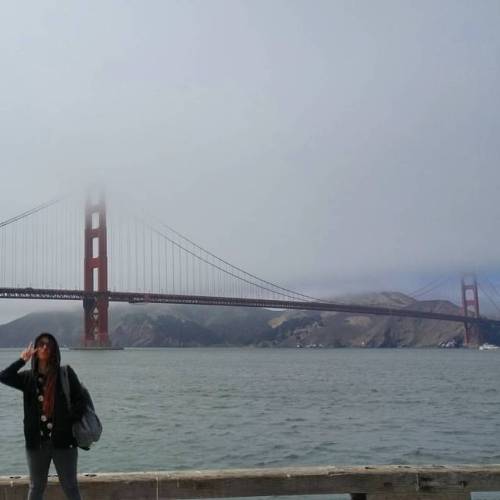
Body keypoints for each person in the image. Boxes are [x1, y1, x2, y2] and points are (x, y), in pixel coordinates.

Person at [0, 332, 86, 500]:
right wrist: (22, 360)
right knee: (36, 488)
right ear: (36, 350)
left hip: (64, 443)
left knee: (70, 487)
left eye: (49, 344)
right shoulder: (28, 378)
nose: (45, 347)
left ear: (54, 350)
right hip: (36, 444)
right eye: (41, 344)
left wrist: (68, 422)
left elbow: (80, 401)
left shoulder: (66, 374)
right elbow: (3, 376)